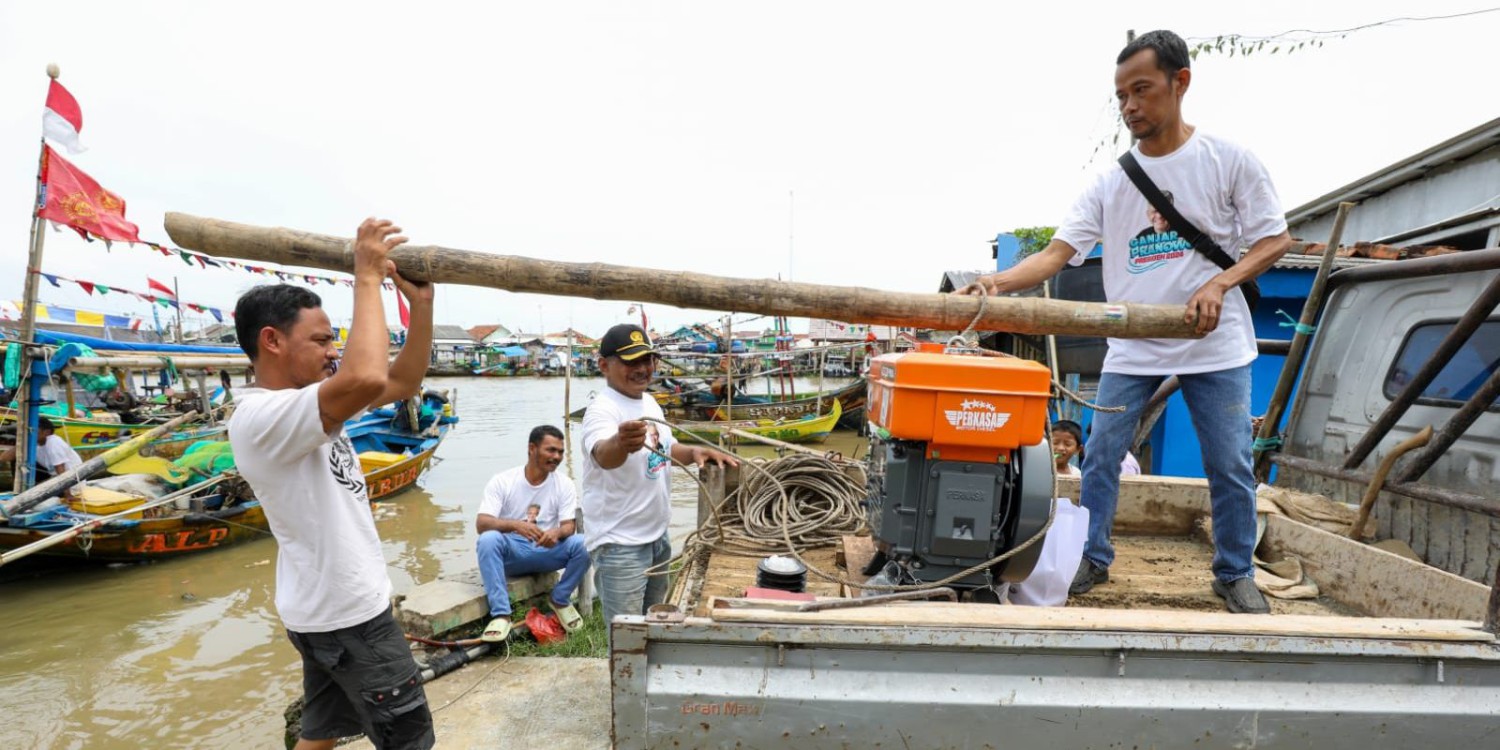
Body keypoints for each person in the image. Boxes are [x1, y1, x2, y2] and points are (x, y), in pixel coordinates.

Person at [963, 31, 1291, 614]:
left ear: (1180, 82)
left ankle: (1235, 571)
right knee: (1100, 458)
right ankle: (1093, 557)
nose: (1130, 106)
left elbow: (1275, 240)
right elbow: (1055, 254)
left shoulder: (1227, 160)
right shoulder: (1111, 182)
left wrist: (1219, 282)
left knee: (1230, 463)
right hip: (1134, 348)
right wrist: (995, 284)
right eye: (1121, 96)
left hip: (1215, 346)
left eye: (1141, 90)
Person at [227, 218, 437, 750]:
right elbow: (366, 376)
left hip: (322, 612)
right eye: (320, 340)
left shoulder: (311, 403)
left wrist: (422, 306)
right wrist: (366, 276)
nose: (331, 351)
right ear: (271, 341)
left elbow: (402, 381)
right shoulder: (263, 417)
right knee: (411, 741)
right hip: (350, 619)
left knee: (320, 736)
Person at [580, 324, 738, 637]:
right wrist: (622, 443)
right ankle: (625, 687)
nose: (642, 369)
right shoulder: (602, 410)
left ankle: (647, 682)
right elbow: (602, 454)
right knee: (627, 638)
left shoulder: (649, 402)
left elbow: (663, 450)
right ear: (604, 365)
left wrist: (693, 451)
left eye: (647, 360)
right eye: (630, 361)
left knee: (654, 628)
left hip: (656, 538)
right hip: (620, 544)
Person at [475, 425, 591, 642]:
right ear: (532, 448)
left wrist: (556, 533)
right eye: (551, 450)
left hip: (547, 550)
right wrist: (516, 526)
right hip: (514, 552)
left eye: (560, 452)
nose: (556, 457)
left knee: (585, 543)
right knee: (488, 539)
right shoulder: (503, 480)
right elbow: (482, 523)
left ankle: (560, 599)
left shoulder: (564, 484)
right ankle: (501, 614)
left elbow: (569, 526)